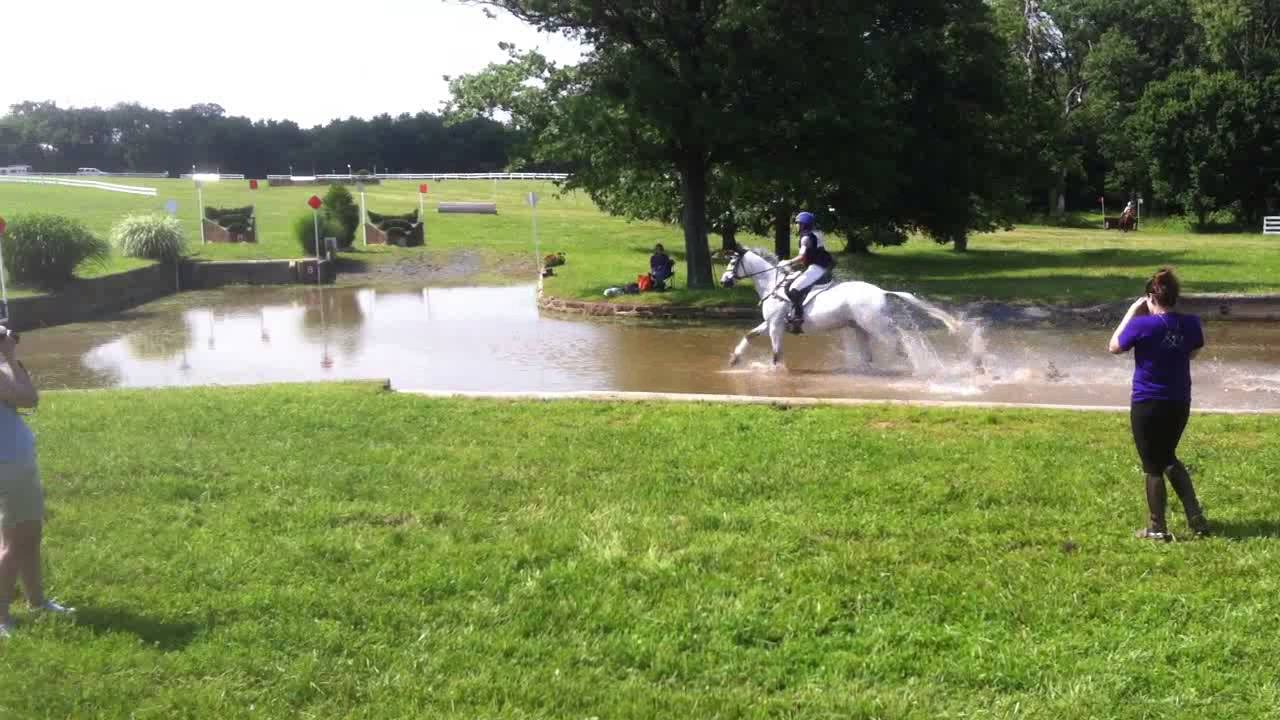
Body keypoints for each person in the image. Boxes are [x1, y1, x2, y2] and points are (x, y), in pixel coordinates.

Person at [1108, 269, 1210, 541]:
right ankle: (1196, 517)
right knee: (1167, 457)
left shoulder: (1142, 325)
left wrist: (1132, 310)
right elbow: (1194, 351)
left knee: (1153, 465)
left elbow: (1114, 346)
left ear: (1150, 296)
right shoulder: (1191, 323)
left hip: (1148, 402)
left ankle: (1156, 528)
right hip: (1179, 401)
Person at [0, 325, 72, 639]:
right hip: (9, 462)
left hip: (15, 461)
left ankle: (37, 601)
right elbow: (28, 398)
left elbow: (30, 396)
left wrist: (10, 359)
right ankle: (2, 618)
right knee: (13, 544)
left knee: (30, 534)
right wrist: (10, 355)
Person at [779, 211, 835, 332]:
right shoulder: (814, 234)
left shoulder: (805, 238)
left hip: (817, 268)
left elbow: (802, 257)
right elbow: (809, 257)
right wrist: (795, 267)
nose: (796, 226)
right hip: (819, 265)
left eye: (798, 223)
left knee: (794, 290)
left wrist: (788, 262)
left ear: (804, 225)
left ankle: (797, 318)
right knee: (792, 282)